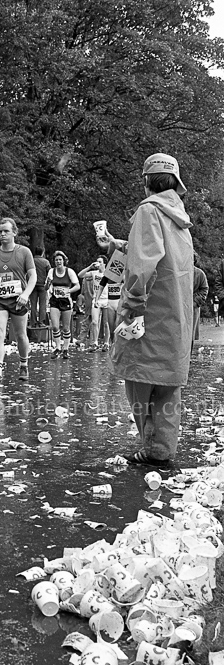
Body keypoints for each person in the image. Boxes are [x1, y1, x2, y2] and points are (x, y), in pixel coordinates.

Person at [108, 152, 194, 468]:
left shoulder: (148, 211)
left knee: (140, 381)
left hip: (149, 314)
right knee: (168, 386)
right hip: (176, 317)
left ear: (146, 182)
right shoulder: (179, 219)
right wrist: (118, 245)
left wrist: (130, 306)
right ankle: (162, 450)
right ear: (175, 183)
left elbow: (143, 266)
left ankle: (150, 446)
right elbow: (162, 259)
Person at [0, 218, 36, 384]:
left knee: (20, 335)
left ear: (14, 232)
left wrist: (26, 294)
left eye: (6, 231)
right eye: (0, 231)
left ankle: (23, 364)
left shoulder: (24, 252)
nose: (2, 234)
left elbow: (33, 276)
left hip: (18, 299)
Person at [46, 251, 80, 359]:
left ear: (64, 261)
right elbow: (46, 287)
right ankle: (57, 348)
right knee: (55, 326)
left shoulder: (69, 271)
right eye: (56, 260)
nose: (58, 262)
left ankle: (65, 349)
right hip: (55, 300)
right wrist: (48, 283)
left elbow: (77, 286)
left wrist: (68, 291)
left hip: (65, 301)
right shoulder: (51, 271)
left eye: (60, 260)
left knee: (66, 328)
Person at [78, 256, 108, 351]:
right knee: (94, 322)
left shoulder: (108, 274)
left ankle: (106, 343)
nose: (97, 263)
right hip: (96, 299)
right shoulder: (94, 273)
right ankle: (95, 342)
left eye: (100, 262)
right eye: (96, 261)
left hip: (107, 299)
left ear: (104, 263)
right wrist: (90, 266)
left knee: (106, 323)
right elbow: (80, 275)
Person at [30, 247, 51, 327]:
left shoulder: (31, 261)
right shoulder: (46, 262)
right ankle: (41, 322)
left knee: (33, 304)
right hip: (43, 285)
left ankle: (33, 322)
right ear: (42, 253)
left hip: (32, 285)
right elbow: (50, 274)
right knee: (43, 304)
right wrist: (48, 284)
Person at [192, 258, 208, 350]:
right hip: (177, 308)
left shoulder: (199, 273)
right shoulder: (177, 272)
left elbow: (204, 289)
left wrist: (194, 302)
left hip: (192, 308)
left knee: (190, 335)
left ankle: (187, 358)